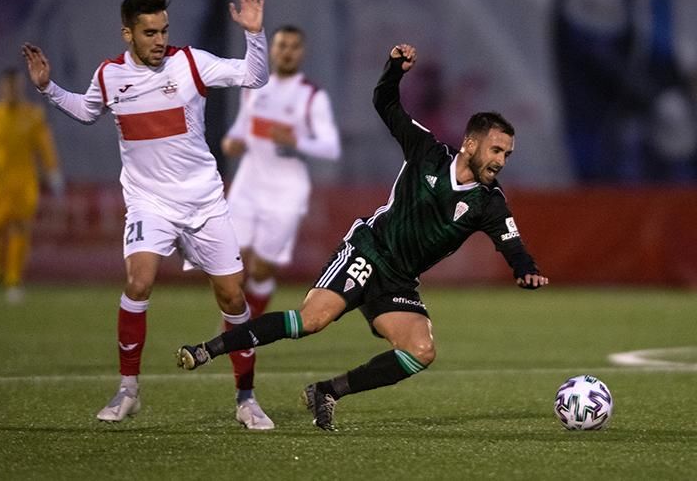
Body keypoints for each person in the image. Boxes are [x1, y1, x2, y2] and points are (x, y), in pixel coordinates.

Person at [176, 43, 549, 431]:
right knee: (312, 321)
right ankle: (208, 349)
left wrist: (526, 269)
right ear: (471, 144)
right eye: (496, 150)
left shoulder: (489, 202)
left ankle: (328, 391)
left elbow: (511, 242)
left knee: (420, 350)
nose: (501, 161)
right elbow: (385, 103)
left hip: (399, 279)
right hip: (369, 249)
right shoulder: (428, 151)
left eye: (507, 154)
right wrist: (393, 70)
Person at [21, 0, 276, 429]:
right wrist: (49, 89)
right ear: (128, 35)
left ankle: (246, 397)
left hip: (203, 201)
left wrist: (255, 35)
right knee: (138, 285)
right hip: (149, 202)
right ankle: (128, 390)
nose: (160, 40)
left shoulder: (191, 62)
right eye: (150, 32)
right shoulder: (109, 75)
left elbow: (254, 77)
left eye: (164, 31)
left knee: (233, 296)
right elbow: (86, 111)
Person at [222, 24, 341, 319]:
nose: (287, 52)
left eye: (293, 47)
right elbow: (240, 129)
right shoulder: (254, 90)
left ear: (302, 53)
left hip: (287, 189)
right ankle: (236, 329)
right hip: (249, 182)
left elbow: (331, 147)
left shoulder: (311, 96)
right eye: (282, 46)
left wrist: (296, 140)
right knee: (230, 266)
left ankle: (249, 326)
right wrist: (231, 142)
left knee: (262, 269)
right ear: (272, 50)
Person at [0, 68, 64, 305]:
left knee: (19, 231)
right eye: (8, 86)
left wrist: (53, 172)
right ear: (1, 88)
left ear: (21, 88)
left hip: (25, 183)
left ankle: (13, 281)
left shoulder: (33, 115)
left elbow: (45, 146)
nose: (11, 91)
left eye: (15, 86)